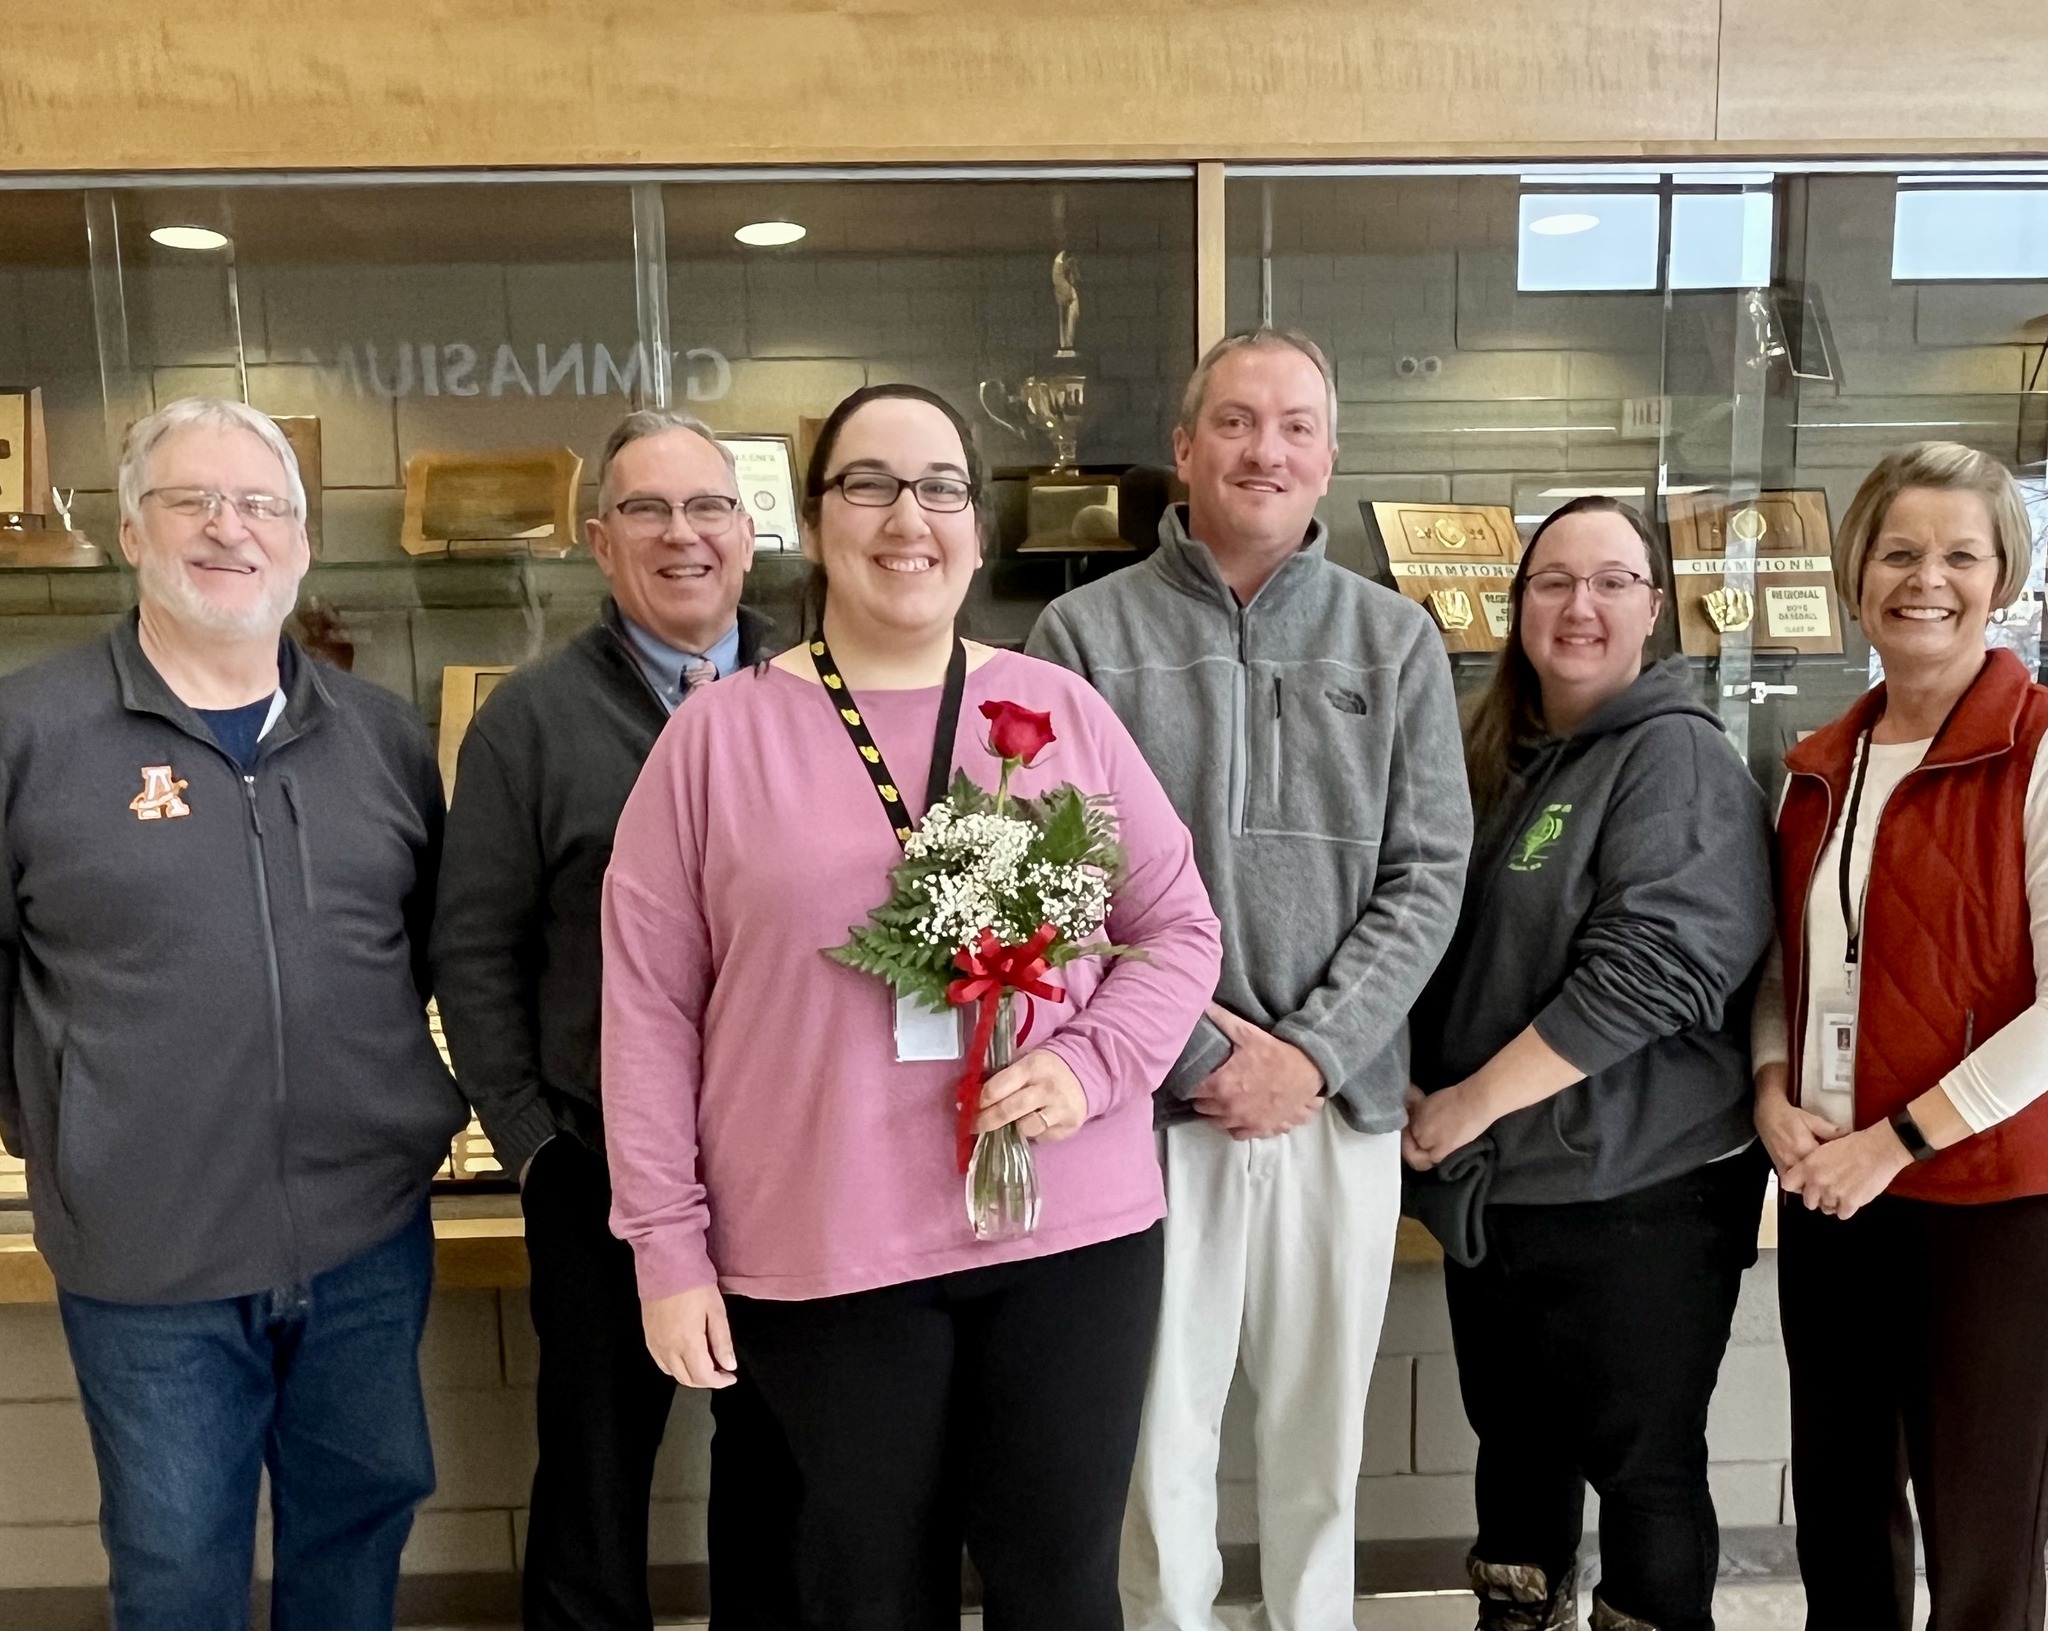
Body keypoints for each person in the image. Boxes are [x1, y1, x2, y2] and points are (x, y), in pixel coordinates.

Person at [599, 382, 1223, 1631]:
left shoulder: (1059, 713)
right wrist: (667, 1249)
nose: (906, 517)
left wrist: (1092, 1063)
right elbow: (649, 1012)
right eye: (868, 484)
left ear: (976, 529)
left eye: (939, 486)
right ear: (813, 521)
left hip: (1066, 1234)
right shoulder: (714, 740)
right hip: (827, 1245)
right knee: (865, 1594)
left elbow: (1178, 928)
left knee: (1059, 1590)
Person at [1027, 328, 1471, 1631]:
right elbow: (1059, 882)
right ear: (1184, 448)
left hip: (1337, 1108)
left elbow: (1428, 872)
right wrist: (1206, 1054)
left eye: (1293, 426)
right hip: (1146, 1111)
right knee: (1156, 1424)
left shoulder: (1394, 639)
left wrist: (1312, 1054)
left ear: (1329, 457)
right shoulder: (1081, 634)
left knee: (1320, 1431)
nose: (1263, 449)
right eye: (1233, 421)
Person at [0, 398, 466, 1630]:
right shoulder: (28, 733)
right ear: (130, 532)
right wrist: (64, 1124)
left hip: (366, 1240)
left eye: (260, 503)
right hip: (147, 1258)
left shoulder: (380, 737)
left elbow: (421, 952)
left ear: (302, 542)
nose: (228, 527)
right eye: (191, 501)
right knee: (175, 1563)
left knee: (358, 1531)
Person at [433, 409, 793, 1631]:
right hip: (595, 1166)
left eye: (707, 507)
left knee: (780, 1472)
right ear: (599, 540)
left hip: (787, 1168)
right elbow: (473, 949)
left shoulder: (817, 694)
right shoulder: (528, 721)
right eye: (646, 509)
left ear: (748, 532)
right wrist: (531, 1144)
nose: (681, 534)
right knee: (592, 1476)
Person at [1404, 496, 1773, 1631]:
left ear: (1655, 609)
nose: (1580, 605)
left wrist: (1465, 1104)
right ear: (1516, 605)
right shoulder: (1491, 758)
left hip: (1640, 1190)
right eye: (1554, 580)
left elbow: (1655, 972)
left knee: (1642, 1466)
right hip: (1504, 1186)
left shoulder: (1676, 758)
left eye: (1613, 581)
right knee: (1516, 1448)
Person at [1750, 442, 2048, 1631]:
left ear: (2001, 579)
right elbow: (1786, 965)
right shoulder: (1815, 767)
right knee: (1838, 1518)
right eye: (1896, 552)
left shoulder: (2035, 749)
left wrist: (1896, 1140)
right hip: (1831, 1193)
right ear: (1853, 574)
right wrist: (1769, 1086)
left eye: (1959, 555)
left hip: (1986, 1204)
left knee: (1980, 1537)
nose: (1926, 579)